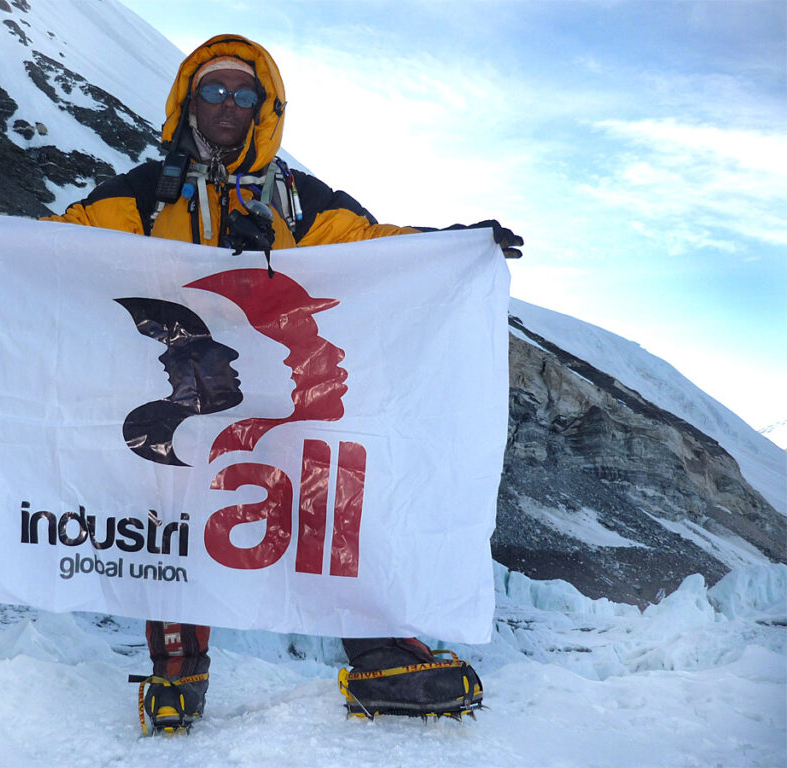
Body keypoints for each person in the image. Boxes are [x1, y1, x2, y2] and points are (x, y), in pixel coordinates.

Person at [46, 33, 519, 733]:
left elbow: (367, 242)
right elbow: (64, 240)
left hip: (283, 387)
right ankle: (178, 672)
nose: (227, 104)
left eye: (243, 93)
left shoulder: (295, 200)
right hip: (191, 388)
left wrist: (447, 243)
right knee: (173, 515)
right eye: (213, 90)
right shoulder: (144, 194)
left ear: (263, 108)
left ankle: (382, 653)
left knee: (330, 505)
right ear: (189, 102)